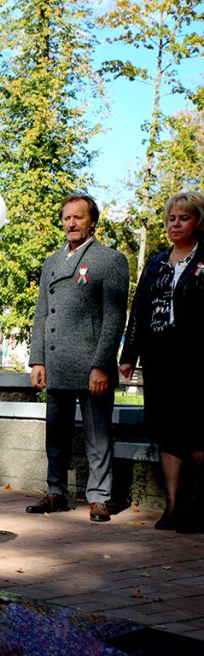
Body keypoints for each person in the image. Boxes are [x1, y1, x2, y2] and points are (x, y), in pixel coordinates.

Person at [27, 193, 129, 522]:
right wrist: (37, 359)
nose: (71, 223)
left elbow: (114, 319)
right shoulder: (52, 262)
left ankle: (99, 497)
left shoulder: (110, 260)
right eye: (67, 217)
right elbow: (42, 314)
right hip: (56, 363)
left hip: (91, 366)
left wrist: (101, 364)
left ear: (92, 222)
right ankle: (55, 492)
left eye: (78, 217)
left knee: (97, 435)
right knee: (55, 433)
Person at [120, 191, 204, 533]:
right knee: (168, 434)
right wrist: (129, 356)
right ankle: (171, 506)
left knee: (198, 433)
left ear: (197, 220)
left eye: (183, 218)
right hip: (160, 360)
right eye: (171, 218)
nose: (175, 224)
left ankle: (196, 506)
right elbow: (138, 311)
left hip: (198, 360)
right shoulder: (155, 263)